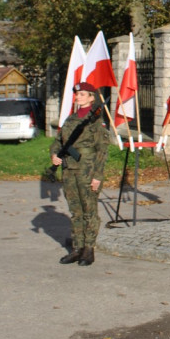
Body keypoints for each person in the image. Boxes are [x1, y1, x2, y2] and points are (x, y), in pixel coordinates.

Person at [51, 81, 109, 266]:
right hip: (69, 170)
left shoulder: (96, 122)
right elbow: (59, 141)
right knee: (75, 211)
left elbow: (102, 150)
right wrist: (54, 154)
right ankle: (77, 248)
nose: (78, 97)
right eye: (77, 94)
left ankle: (88, 250)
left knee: (89, 211)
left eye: (82, 94)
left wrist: (98, 176)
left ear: (92, 98)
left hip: (88, 170)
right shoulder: (70, 119)